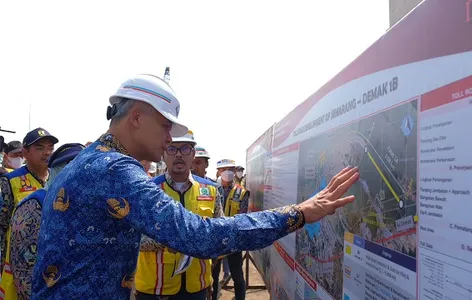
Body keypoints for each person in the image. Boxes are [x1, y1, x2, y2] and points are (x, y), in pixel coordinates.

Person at [31, 74, 359, 299]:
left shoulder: (90, 160)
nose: (169, 140)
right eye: (164, 127)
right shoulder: (115, 168)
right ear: (136, 117)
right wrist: (298, 213)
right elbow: (199, 236)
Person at [134, 130, 224, 300]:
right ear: (163, 154)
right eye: (171, 149)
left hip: (197, 287)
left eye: (185, 149)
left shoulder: (212, 190)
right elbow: (133, 237)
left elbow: (220, 235)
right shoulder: (145, 190)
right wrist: (168, 240)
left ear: (193, 154)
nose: (178, 155)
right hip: (154, 289)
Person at [2, 143, 85, 300]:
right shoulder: (35, 205)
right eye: (69, 166)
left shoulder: (83, 205)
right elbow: (24, 272)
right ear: (55, 170)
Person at [0, 128, 58, 274]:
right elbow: (2, 224)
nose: (47, 152)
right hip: (20, 262)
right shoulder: (11, 180)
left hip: (50, 257)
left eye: (50, 148)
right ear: (25, 153)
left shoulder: (58, 178)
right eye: (40, 148)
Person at [211, 159, 249, 300]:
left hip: (234, 240)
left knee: (237, 276)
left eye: (231, 169)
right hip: (215, 239)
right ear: (218, 172)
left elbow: (242, 217)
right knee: (213, 276)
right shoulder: (210, 189)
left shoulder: (241, 192)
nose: (228, 172)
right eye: (224, 169)